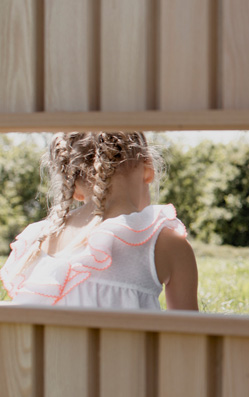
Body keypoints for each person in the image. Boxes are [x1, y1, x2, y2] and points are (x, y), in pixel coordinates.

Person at [0, 132, 198, 310]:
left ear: (74, 189)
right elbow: (189, 340)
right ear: (148, 169)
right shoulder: (167, 243)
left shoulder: (37, 241)